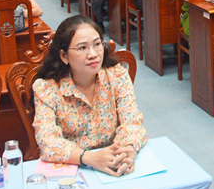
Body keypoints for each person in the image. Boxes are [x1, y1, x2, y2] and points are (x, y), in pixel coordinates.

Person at [32, 15, 146, 174]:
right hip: (74, 169)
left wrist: (128, 151)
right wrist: (88, 158)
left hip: (113, 162)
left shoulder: (116, 75)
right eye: (82, 48)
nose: (93, 54)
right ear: (64, 56)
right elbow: (47, 141)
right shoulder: (47, 88)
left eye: (97, 44)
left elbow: (132, 122)